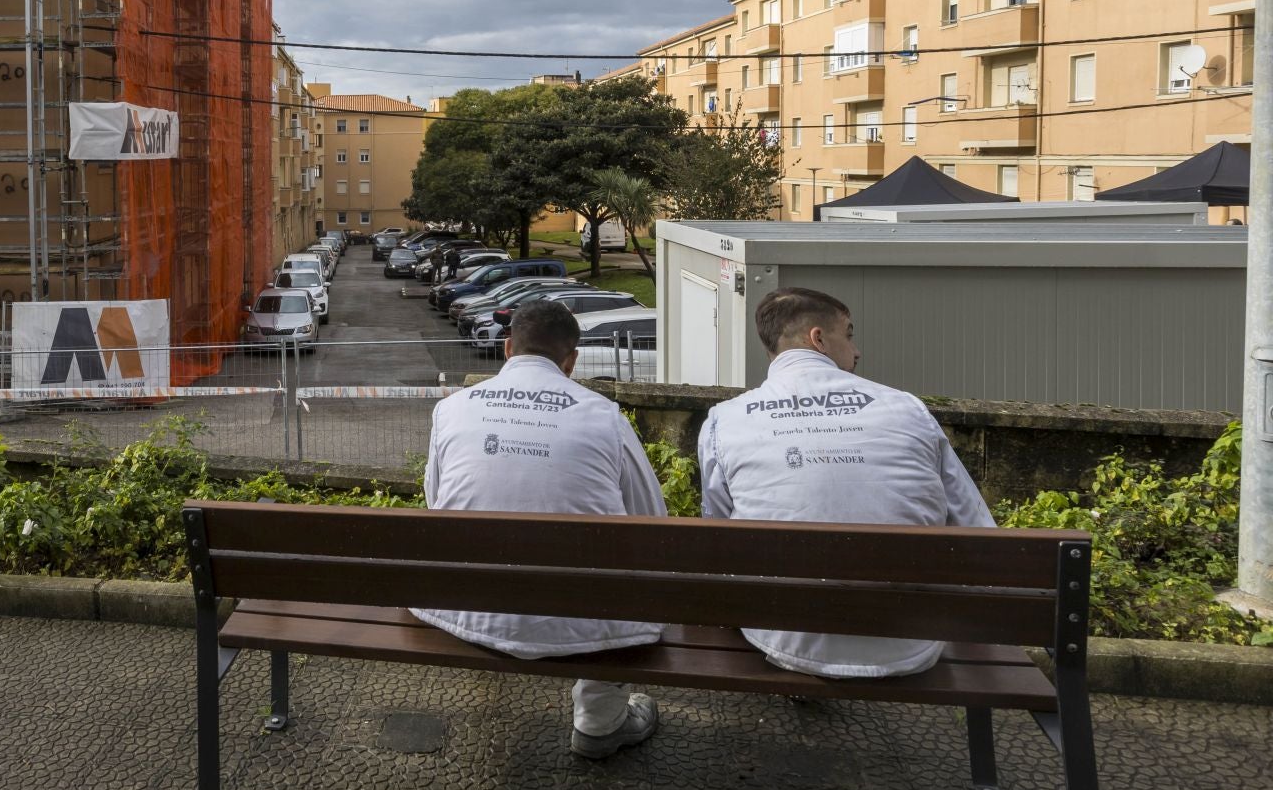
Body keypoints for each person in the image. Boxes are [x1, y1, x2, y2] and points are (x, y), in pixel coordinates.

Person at [411, 299, 669, 758]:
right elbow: (650, 523)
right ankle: (599, 721)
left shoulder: (451, 410)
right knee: (629, 576)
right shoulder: (604, 416)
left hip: (462, 607)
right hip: (577, 615)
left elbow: (437, 503)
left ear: (508, 348)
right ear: (571, 360)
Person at [698, 286, 993, 678]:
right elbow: (974, 525)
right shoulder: (904, 407)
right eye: (849, 334)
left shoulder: (725, 419)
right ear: (818, 338)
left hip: (782, 637)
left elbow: (719, 539)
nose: (856, 351)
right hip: (909, 639)